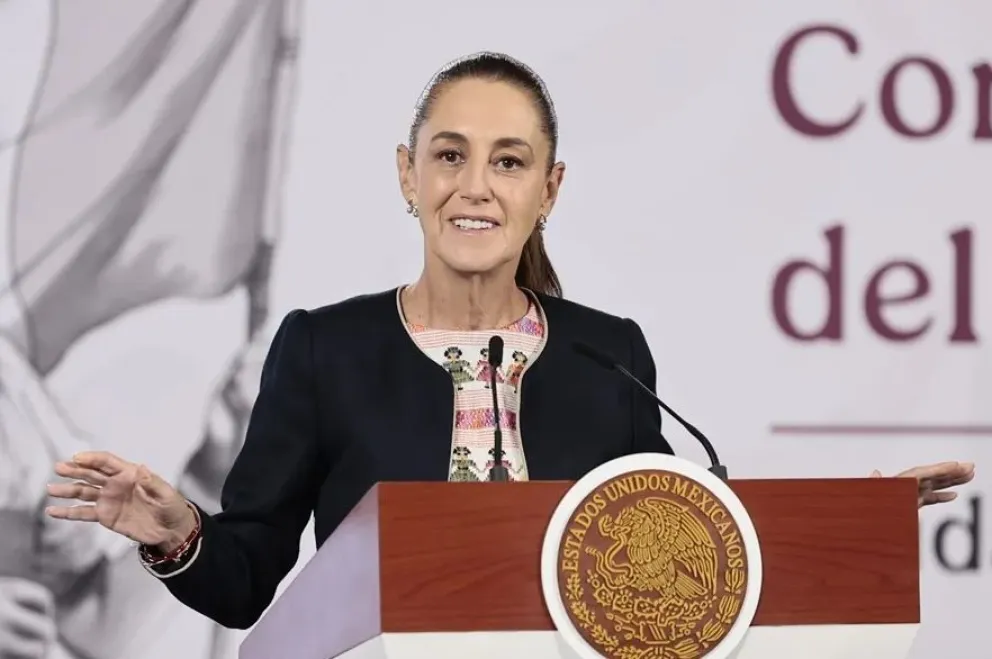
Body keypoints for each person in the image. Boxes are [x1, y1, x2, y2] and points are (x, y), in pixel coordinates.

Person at [44, 51, 975, 631]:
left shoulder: (608, 355)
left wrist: (848, 523)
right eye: (449, 155)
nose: (475, 186)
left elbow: (684, 549)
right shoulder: (324, 349)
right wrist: (176, 536)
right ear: (408, 177)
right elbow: (248, 585)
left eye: (509, 161)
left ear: (549, 189)